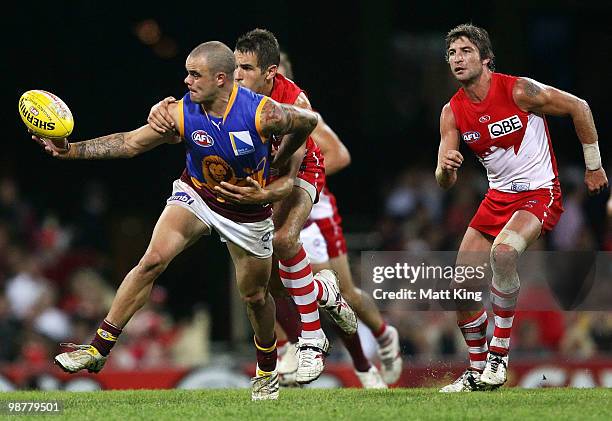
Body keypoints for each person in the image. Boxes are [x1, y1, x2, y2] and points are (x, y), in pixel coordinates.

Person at [32, 40, 319, 401]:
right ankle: (97, 349)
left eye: (194, 74)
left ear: (220, 79)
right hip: (196, 195)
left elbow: (308, 122)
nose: (186, 81)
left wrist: (277, 168)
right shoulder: (182, 113)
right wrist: (71, 150)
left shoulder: (264, 113)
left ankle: (266, 369)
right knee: (151, 261)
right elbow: (131, 143)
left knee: (255, 296)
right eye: (186, 72)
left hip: (246, 213)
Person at [147, 29, 357, 386]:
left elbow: (290, 171)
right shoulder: (230, 93)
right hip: (261, 174)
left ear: (271, 73)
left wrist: (265, 189)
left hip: (301, 168)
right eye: (235, 66)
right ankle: (324, 293)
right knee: (272, 281)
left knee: (286, 240)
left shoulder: (295, 104)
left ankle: (312, 341)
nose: (237, 74)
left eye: (246, 67)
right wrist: (161, 109)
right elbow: (190, 106)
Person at [436, 24, 608, 392]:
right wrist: (445, 169)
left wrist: (593, 165)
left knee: (503, 253)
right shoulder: (452, 112)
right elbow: (444, 179)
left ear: (485, 58)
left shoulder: (518, 90)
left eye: (465, 51)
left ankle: (499, 358)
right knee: (460, 288)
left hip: (538, 193)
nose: (457, 59)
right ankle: (477, 371)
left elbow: (580, 107)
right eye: (452, 53)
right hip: (497, 198)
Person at [273, 51, 403, 388]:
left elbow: (340, 155)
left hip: (314, 212)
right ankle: (291, 347)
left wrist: (293, 180)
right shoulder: (247, 110)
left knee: (342, 293)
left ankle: (381, 339)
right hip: (278, 212)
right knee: (261, 282)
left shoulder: (300, 109)